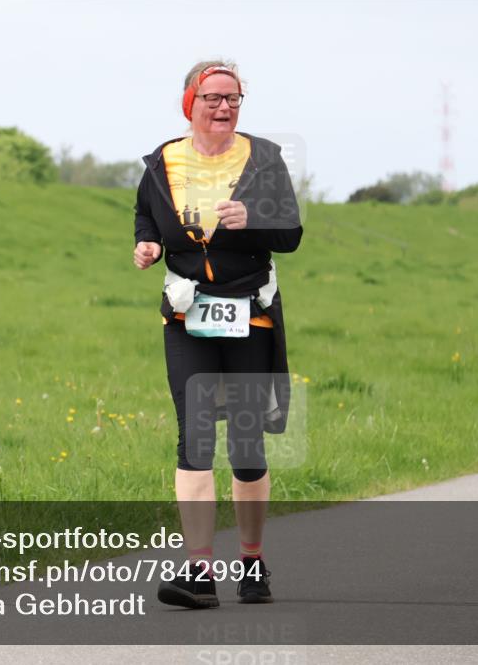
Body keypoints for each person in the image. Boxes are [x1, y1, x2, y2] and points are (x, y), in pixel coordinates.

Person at [133, 60, 303, 608]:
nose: (224, 107)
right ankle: (200, 573)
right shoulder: (163, 161)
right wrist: (149, 245)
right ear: (191, 102)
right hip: (187, 316)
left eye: (233, 98)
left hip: (249, 314)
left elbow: (292, 234)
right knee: (196, 439)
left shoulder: (265, 159)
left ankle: (253, 565)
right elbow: (145, 216)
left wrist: (251, 217)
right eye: (213, 98)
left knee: (247, 446)